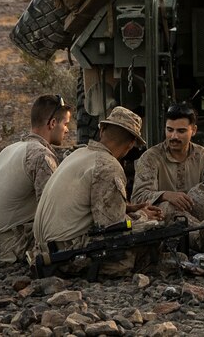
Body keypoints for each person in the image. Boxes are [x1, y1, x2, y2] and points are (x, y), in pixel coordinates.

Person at [33, 106, 163, 276]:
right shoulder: (108, 166)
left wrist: (128, 208)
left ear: (101, 130)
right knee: (152, 233)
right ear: (132, 144)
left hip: (43, 249)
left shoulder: (79, 153)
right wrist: (145, 217)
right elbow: (113, 228)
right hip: (66, 256)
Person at [0, 93, 71, 262]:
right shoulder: (41, 156)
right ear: (52, 123)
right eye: (65, 124)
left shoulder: (10, 149)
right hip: (13, 245)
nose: (67, 129)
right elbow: (53, 211)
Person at [131, 102, 204, 223]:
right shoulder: (151, 157)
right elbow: (138, 199)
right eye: (170, 130)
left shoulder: (203, 156)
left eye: (181, 131)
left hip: (197, 213)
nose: (174, 136)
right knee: (168, 207)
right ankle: (199, 234)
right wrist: (166, 195)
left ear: (194, 130)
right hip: (166, 222)